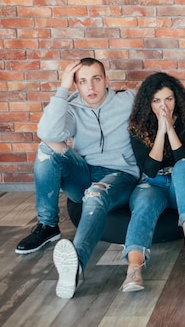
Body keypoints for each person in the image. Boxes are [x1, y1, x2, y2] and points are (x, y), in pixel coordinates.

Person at [16, 58, 139, 299]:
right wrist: (63, 90)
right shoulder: (71, 107)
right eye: (82, 81)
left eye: (96, 79)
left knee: (96, 194)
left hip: (119, 175)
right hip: (83, 172)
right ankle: (48, 225)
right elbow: (47, 133)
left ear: (106, 80)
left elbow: (160, 99)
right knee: (46, 149)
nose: (90, 87)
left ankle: (77, 265)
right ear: (76, 85)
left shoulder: (128, 100)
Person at [121, 72, 185, 293]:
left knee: (183, 165)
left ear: (177, 99)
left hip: (184, 185)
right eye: (156, 100)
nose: (163, 105)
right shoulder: (138, 126)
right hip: (153, 184)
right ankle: (134, 268)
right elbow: (150, 169)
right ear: (148, 103)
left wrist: (170, 128)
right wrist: (160, 132)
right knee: (144, 201)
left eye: (168, 99)